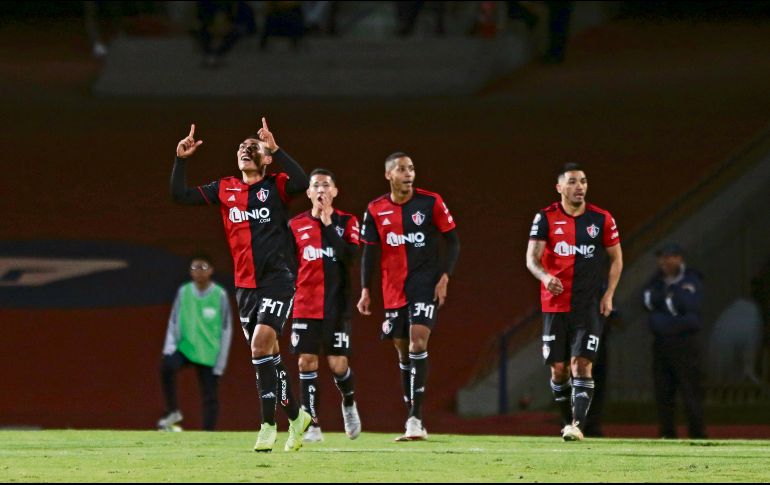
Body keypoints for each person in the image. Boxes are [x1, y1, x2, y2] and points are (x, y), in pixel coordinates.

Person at [171, 118, 312, 452]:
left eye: (255, 148)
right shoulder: (226, 189)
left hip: (277, 280)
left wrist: (277, 149)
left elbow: (303, 182)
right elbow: (179, 195)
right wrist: (181, 160)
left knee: (260, 345)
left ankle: (267, 424)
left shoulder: (276, 185)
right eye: (241, 148)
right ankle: (296, 416)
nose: (246, 151)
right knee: (269, 358)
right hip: (245, 286)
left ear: (265, 159)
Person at [357, 152, 460, 441]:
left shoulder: (430, 202)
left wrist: (445, 276)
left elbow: (452, 241)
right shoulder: (375, 209)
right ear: (389, 175)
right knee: (403, 350)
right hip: (393, 290)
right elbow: (370, 251)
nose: (409, 174)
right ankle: (412, 414)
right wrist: (365, 289)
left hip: (425, 285)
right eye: (402, 169)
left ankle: (415, 418)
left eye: (412, 168)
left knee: (417, 340)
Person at [526, 162, 623, 441]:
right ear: (559, 188)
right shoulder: (545, 218)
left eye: (583, 181)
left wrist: (609, 294)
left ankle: (578, 425)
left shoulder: (601, 219)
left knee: (582, 363)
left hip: (588, 304)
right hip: (554, 305)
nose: (579, 186)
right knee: (559, 370)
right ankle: (567, 420)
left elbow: (616, 258)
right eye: (572, 182)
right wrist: (545, 277)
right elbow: (531, 259)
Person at [288, 168, 362, 442]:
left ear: (335, 191)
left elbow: (349, 257)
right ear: (308, 192)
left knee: (337, 364)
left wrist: (328, 224)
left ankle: (349, 402)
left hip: (336, 305)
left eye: (326, 185)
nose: (321, 190)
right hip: (305, 305)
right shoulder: (295, 225)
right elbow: (288, 264)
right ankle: (312, 424)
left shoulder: (348, 222)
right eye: (315, 185)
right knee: (306, 362)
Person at [158, 253, 233, 432]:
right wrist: (169, 347)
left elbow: (226, 329)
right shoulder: (184, 291)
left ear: (211, 271)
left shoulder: (219, 294)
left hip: (208, 353)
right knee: (166, 367)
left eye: (203, 267)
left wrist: (220, 363)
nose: (198, 272)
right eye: (194, 268)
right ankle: (173, 411)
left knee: (210, 396)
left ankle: (208, 434)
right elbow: (174, 319)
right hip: (186, 348)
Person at [643, 242, 706, 439]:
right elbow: (647, 302)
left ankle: (697, 433)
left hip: (685, 344)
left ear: (679, 258)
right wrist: (669, 303)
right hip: (662, 344)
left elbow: (688, 308)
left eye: (669, 256)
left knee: (691, 391)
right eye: (662, 257)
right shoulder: (656, 281)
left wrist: (667, 305)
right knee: (663, 391)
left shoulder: (691, 279)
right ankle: (667, 433)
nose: (664, 261)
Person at [196, 1, 257, 68]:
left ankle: (215, 53)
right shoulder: (207, 4)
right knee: (204, 32)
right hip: (215, 27)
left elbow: (248, 24)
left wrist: (231, 27)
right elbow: (203, 17)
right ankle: (212, 53)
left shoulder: (240, 6)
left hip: (233, 28)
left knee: (233, 34)